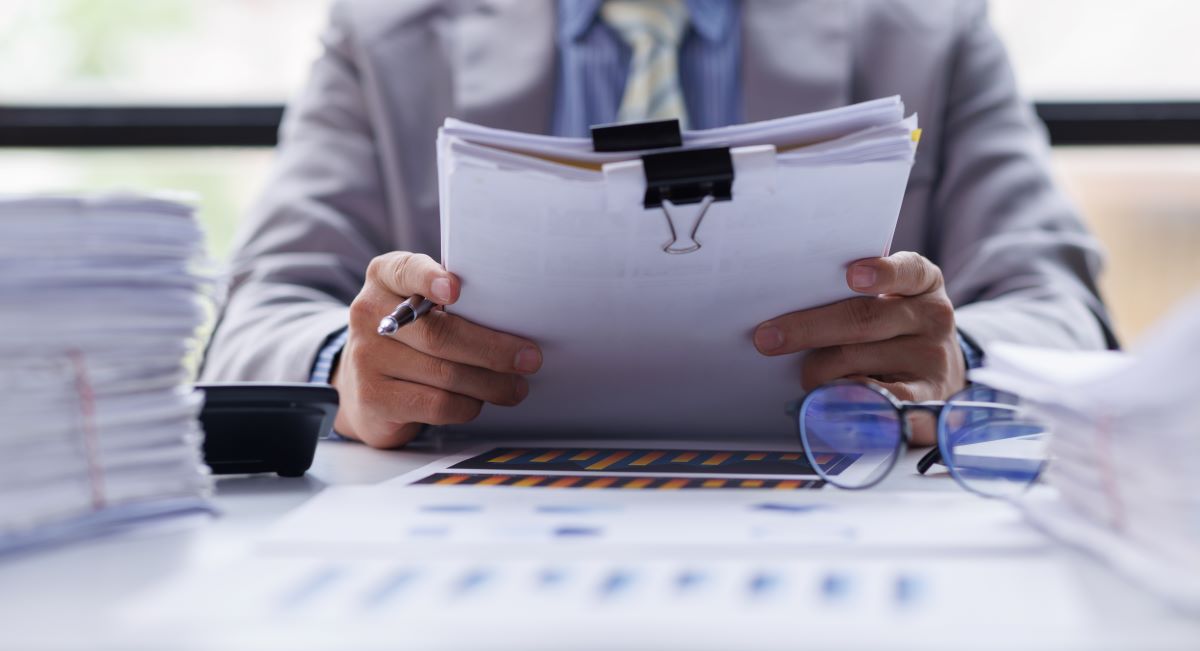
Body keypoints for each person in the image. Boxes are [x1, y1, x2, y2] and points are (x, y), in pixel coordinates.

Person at [201, 0, 1116, 448]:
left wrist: (957, 366)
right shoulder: (383, 36)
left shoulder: (928, 27)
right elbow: (256, 318)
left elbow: (1064, 317)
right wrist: (350, 372)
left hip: (838, 518)